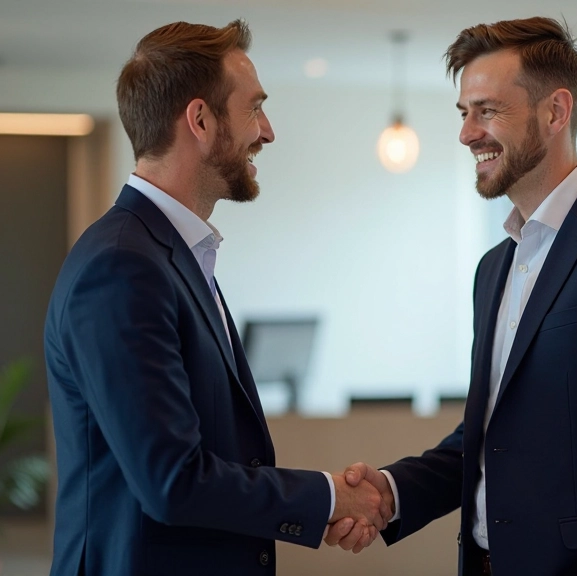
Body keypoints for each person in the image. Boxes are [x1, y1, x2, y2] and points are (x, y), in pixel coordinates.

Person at [329, 16, 577, 576]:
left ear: (555, 112)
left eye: (487, 111)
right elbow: (490, 437)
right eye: (464, 112)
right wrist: (391, 492)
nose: (467, 133)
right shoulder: (492, 269)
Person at [44, 20, 388, 576]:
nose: (268, 131)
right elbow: (172, 481)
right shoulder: (122, 266)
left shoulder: (167, 253)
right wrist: (327, 498)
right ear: (200, 120)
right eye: (255, 108)